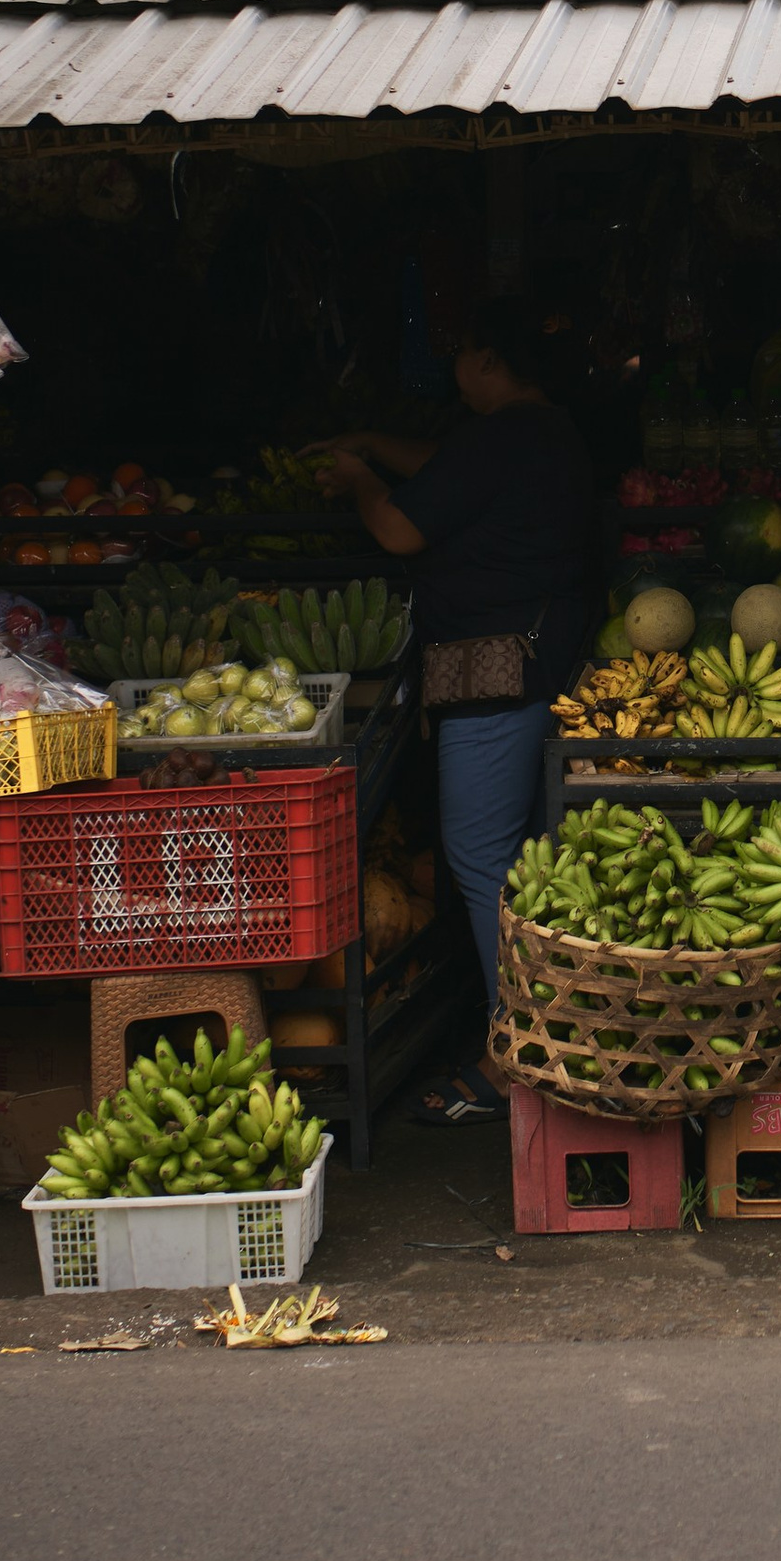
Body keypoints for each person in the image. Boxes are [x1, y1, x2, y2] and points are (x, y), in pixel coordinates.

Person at [315, 297, 596, 1127]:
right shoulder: (540, 433)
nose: (457, 371)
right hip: (539, 661)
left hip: (496, 674)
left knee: (480, 857)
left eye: (466, 355)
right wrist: (374, 443)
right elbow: (445, 462)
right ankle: (535, 1033)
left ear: (489, 364)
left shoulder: (506, 434)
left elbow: (401, 530)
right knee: (507, 855)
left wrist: (362, 479)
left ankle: (516, 1051)